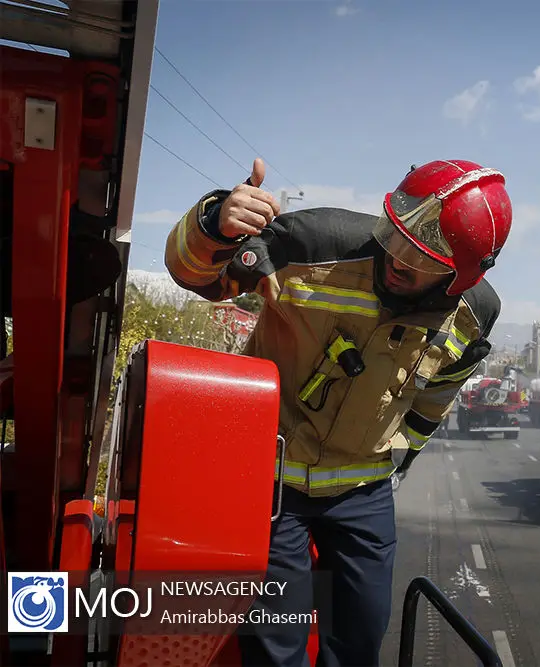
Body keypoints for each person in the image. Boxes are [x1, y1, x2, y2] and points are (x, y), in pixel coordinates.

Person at [164, 157, 512, 666]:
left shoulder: (474, 314)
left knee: (359, 639)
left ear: (460, 278)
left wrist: (397, 464)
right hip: (270, 480)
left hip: (361, 494)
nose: (396, 262)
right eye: (395, 241)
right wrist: (213, 221)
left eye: (422, 263)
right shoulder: (311, 243)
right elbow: (193, 275)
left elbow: (434, 399)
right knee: (274, 645)